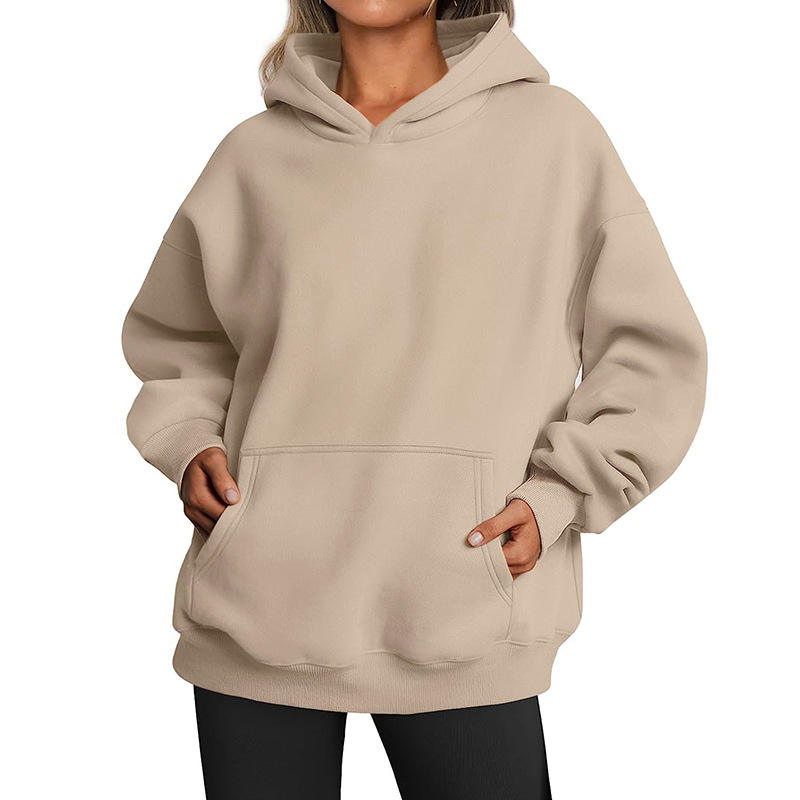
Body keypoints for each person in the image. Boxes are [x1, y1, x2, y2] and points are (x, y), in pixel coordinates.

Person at [122, 2, 707, 798]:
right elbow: (183, 342)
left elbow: (653, 357)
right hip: (260, 607)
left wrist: (560, 495)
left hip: (465, 600)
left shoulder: (555, 138)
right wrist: (192, 442)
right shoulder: (250, 157)